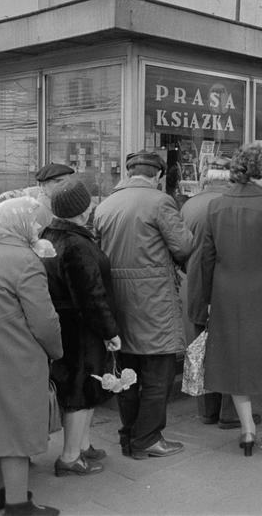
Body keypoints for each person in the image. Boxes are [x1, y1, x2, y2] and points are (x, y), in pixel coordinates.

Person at [188, 144, 262, 458]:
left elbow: (207, 260)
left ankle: (247, 433)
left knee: (235, 362)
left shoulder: (215, 206)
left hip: (228, 296)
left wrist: (210, 298)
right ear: (256, 173)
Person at [0, 197, 63, 516]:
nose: (40, 230)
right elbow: (44, 320)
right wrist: (56, 350)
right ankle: (18, 505)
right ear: (22, 224)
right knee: (17, 429)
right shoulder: (24, 260)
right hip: (15, 355)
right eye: (38, 224)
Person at [93, 150, 194, 460]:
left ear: (129, 172)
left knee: (127, 374)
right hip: (154, 300)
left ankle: (129, 435)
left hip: (118, 301)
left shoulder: (105, 205)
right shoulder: (160, 202)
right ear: (158, 176)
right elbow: (183, 245)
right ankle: (148, 438)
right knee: (158, 373)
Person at [40, 180, 121, 477]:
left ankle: (83, 445)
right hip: (82, 330)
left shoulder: (50, 235)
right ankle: (70, 456)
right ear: (82, 208)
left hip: (65, 325)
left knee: (81, 387)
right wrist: (110, 332)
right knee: (81, 392)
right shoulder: (76, 243)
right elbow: (91, 296)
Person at [182, 156, 260, 430]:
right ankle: (230, 412)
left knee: (201, 347)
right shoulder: (233, 206)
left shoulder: (189, 205)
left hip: (195, 287)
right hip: (228, 287)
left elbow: (181, 249)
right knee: (231, 349)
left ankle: (207, 409)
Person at [0, 163, 75, 227]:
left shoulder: (69, 202)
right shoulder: (18, 197)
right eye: (59, 182)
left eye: (68, 183)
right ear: (43, 185)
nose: (65, 187)